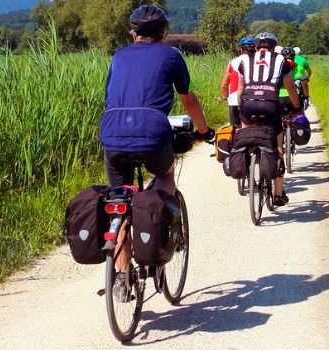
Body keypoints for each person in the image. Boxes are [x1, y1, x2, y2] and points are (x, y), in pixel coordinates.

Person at [99, 4, 214, 301]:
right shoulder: (171, 56)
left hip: (112, 133)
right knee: (165, 175)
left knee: (119, 199)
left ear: (133, 32)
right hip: (153, 132)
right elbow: (188, 101)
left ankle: (122, 279)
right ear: (164, 33)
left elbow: (110, 96)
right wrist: (204, 131)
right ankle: (159, 236)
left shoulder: (119, 55)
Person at [235, 32, 300, 206]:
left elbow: (240, 90)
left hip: (248, 106)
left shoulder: (245, 60)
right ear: (273, 47)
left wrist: (240, 108)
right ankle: (278, 194)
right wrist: (296, 106)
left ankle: (249, 163)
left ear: (256, 47)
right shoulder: (281, 62)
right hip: (270, 106)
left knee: (247, 136)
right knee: (278, 146)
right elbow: (290, 88)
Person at [221, 36, 255, 128]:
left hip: (234, 101)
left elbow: (224, 85)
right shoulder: (257, 63)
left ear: (241, 50)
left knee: (235, 130)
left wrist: (226, 97)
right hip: (252, 101)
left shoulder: (232, 63)